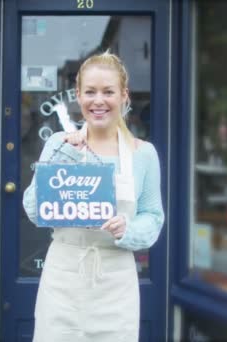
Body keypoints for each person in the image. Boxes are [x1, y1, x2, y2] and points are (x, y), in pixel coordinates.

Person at [22, 50, 164, 341]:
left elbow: (153, 218)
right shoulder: (58, 145)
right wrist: (63, 157)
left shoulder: (144, 154)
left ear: (124, 96)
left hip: (115, 284)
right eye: (90, 92)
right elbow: (34, 210)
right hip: (63, 278)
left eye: (108, 92)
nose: (98, 101)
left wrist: (129, 229)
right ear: (78, 95)